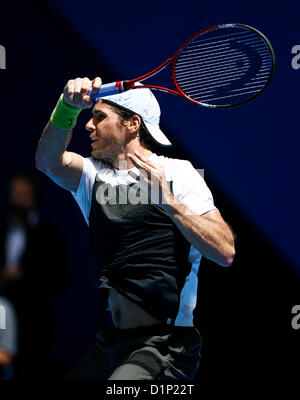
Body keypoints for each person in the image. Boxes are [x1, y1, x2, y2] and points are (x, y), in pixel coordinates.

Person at [35, 77, 235, 380]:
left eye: (100, 117)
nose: (88, 126)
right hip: (113, 343)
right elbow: (48, 162)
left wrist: (168, 202)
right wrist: (66, 107)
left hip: (165, 345)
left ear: (132, 124)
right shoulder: (91, 175)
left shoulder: (178, 173)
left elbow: (224, 251)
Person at [0, 173, 68, 379]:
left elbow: (59, 277)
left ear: (34, 196)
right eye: (14, 193)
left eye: (23, 194)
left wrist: (22, 275)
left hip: (34, 319)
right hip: (2, 312)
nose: (17, 198)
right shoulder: (2, 230)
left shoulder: (50, 234)